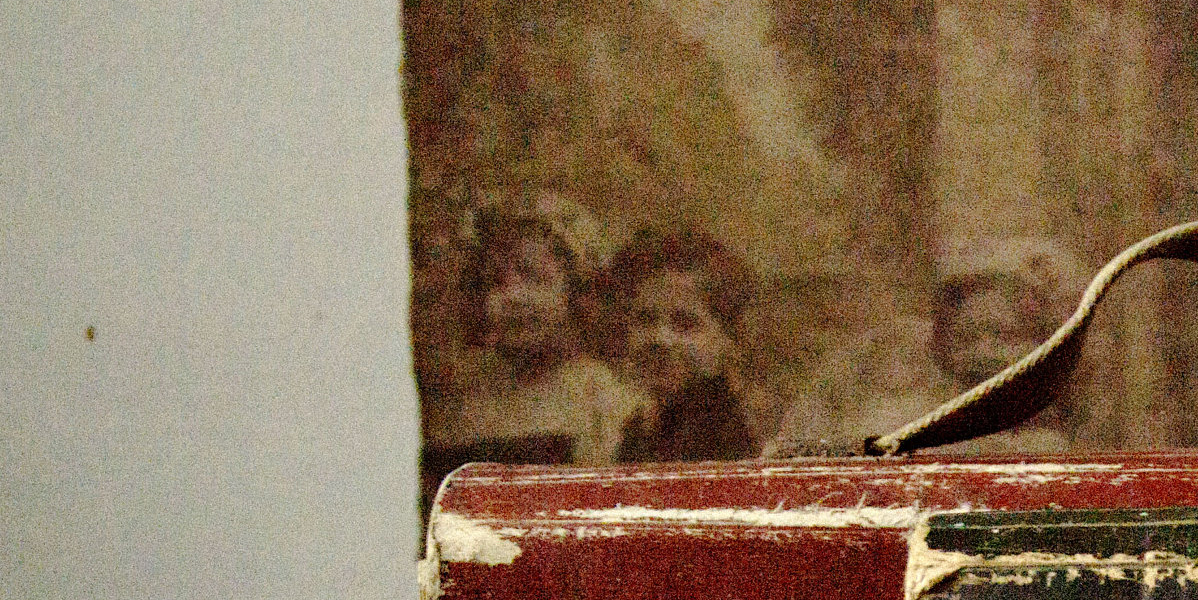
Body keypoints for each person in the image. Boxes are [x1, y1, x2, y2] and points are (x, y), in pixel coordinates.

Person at [768, 236, 1087, 456]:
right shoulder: (879, 354)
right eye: (958, 301)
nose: (984, 345)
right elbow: (787, 454)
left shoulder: (1044, 429)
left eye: (1003, 332)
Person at [421, 191, 641, 467]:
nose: (511, 297)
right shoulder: (468, 394)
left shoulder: (604, 398)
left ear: (577, 293)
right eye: (495, 282)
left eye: (534, 278)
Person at [604, 228, 758, 463]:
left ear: (730, 340)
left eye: (685, 324)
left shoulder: (723, 439)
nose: (659, 338)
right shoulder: (641, 430)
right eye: (645, 319)